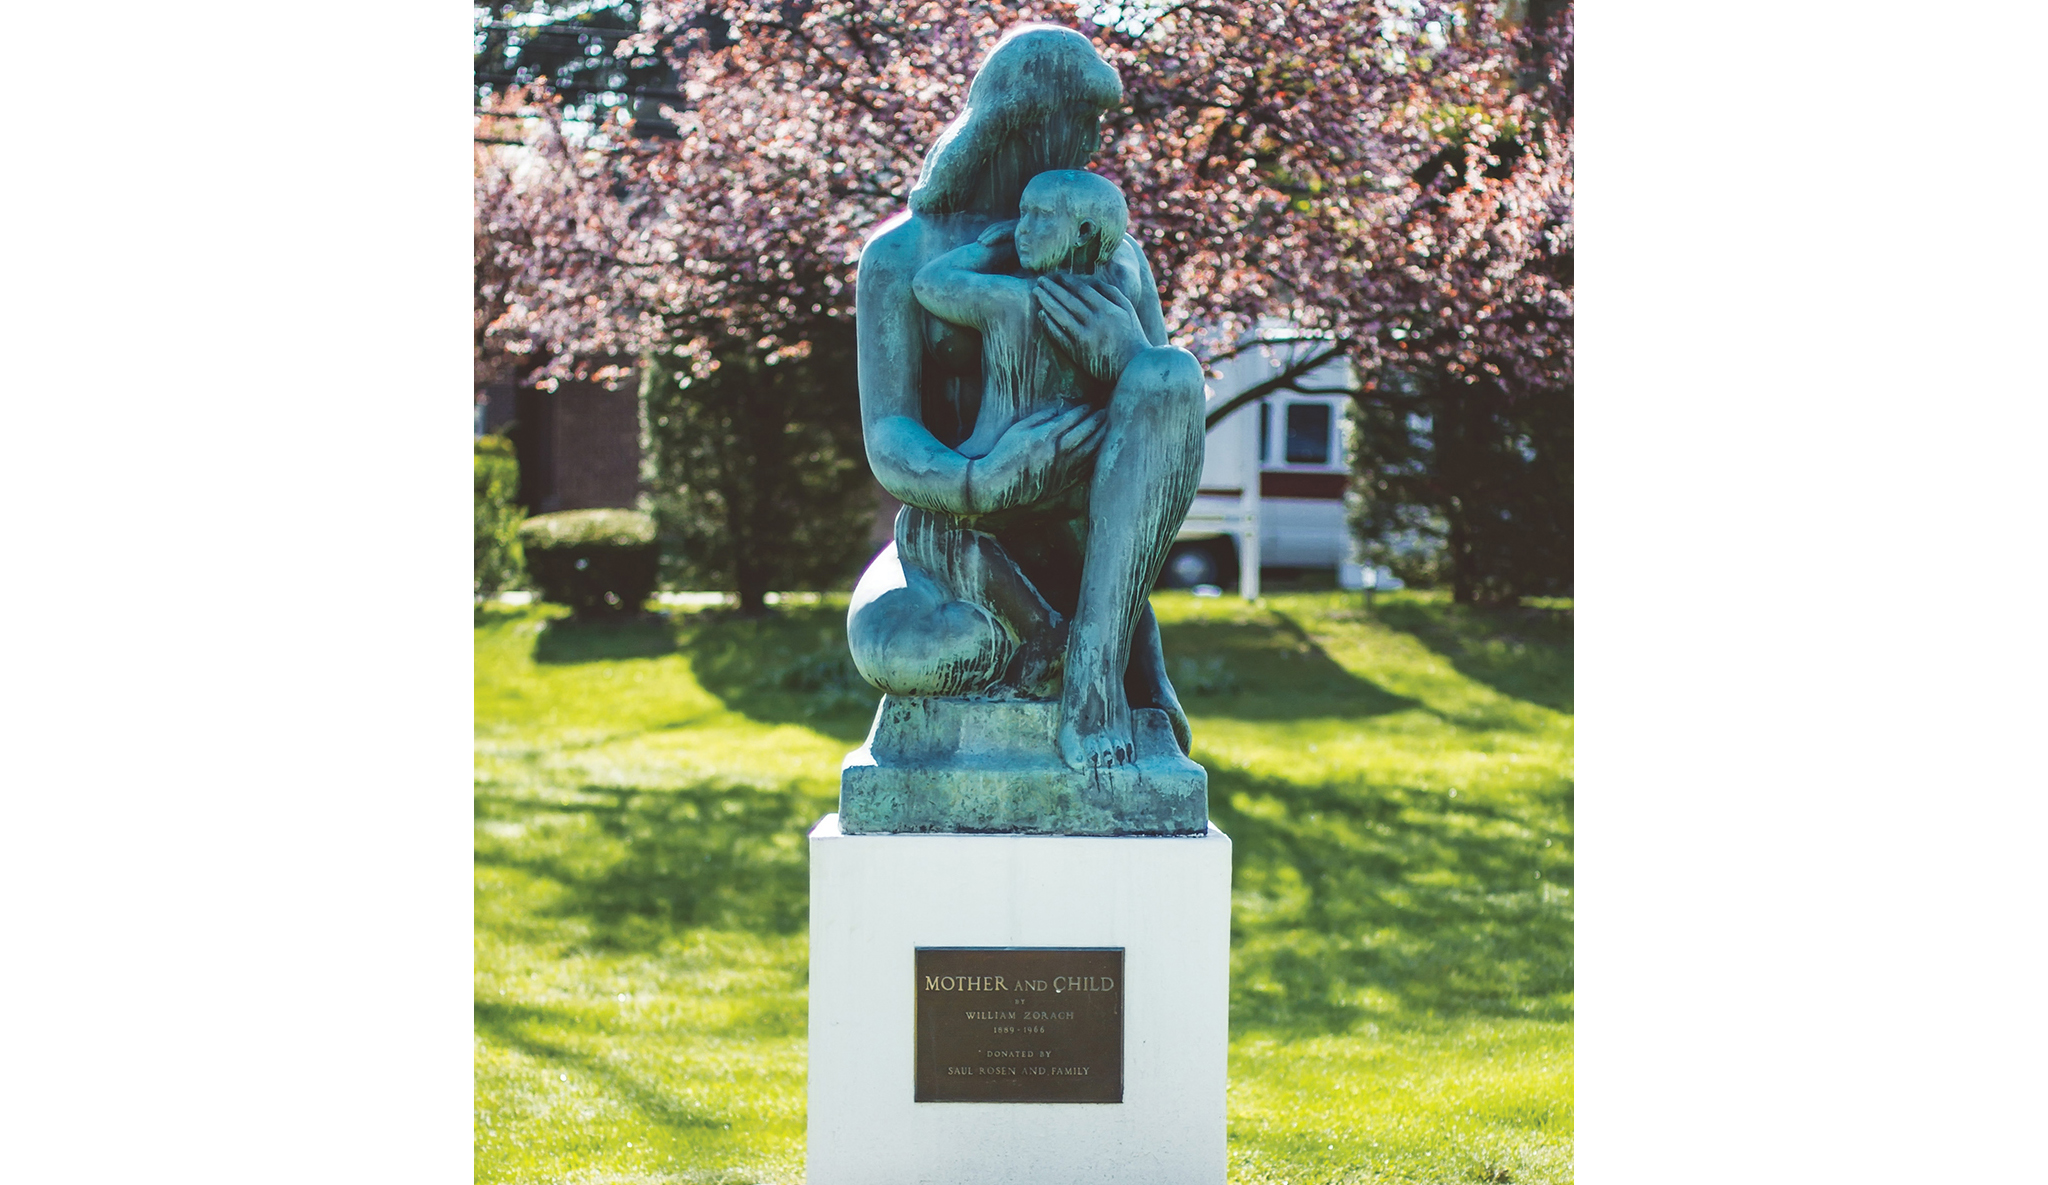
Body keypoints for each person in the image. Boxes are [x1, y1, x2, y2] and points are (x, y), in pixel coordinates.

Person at [845, 25, 1206, 771]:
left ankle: (1095, 673)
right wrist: (981, 479)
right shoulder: (902, 254)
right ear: (1026, 121)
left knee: (1171, 373)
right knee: (942, 651)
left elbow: (1159, 421)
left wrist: (1128, 355)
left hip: (1083, 550)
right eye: (1084, 122)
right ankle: (1061, 644)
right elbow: (889, 434)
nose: (1094, 144)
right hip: (950, 538)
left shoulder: (1111, 254)